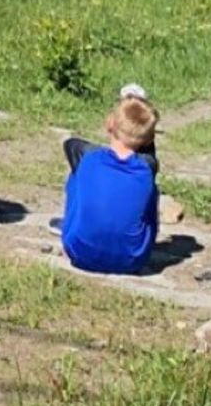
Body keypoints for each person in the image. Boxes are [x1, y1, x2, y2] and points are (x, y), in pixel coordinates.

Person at [60, 86, 161, 275]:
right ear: (149, 140)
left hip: (79, 252)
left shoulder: (88, 158)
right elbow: (150, 158)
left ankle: (80, 224)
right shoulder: (146, 169)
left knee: (77, 175)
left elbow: (71, 144)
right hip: (132, 260)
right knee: (150, 191)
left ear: (109, 124)